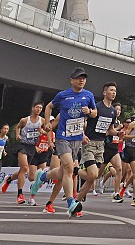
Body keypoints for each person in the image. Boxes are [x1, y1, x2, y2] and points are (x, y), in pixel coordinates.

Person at [31, 66, 98, 217]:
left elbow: (95, 112)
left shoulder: (88, 95)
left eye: (84, 78)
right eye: (79, 77)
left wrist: (90, 112)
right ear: (72, 80)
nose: (82, 80)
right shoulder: (63, 95)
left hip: (76, 139)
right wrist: (48, 122)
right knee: (68, 168)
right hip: (62, 137)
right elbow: (48, 107)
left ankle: (42, 177)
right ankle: (71, 203)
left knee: (62, 172)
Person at [77, 82, 120, 204]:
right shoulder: (97, 107)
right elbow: (82, 122)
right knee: (93, 174)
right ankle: (75, 170)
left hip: (101, 145)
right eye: (111, 90)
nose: (113, 93)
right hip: (89, 143)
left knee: (93, 177)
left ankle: (77, 202)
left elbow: (110, 129)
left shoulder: (113, 111)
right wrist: (83, 136)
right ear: (104, 92)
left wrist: (118, 133)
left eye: (115, 91)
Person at [5, 102, 45, 203]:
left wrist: (42, 132)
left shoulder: (42, 120)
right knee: (24, 168)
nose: (39, 110)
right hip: (23, 145)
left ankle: (9, 179)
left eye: (40, 108)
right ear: (33, 108)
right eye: (37, 107)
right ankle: (20, 195)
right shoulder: (25, 120)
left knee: (22, 171)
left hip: (32, 147)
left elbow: (45, 131)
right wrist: (18, 135)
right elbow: (17, 127)